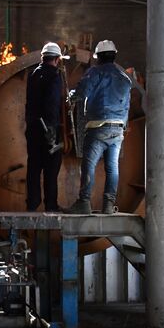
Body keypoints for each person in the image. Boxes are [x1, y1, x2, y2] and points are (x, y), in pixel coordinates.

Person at [67, 40, 132, 214]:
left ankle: (84, 202)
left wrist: (71, 96)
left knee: (88, 164)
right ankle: (109, 205)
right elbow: (127, 105)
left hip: (98, 126)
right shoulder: (125, 77)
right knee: (112, 168)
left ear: (99, 57)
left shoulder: (95, 72)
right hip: (118, 129)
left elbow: (82, 92)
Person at [25, 42, 64, 212]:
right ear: (57, 59)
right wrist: (52, 128)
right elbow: (52, 103)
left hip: (33, 128)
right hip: (49, 129)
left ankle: (32, 203)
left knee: (34, 166)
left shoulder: (33, 74)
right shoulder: (55, 76)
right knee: (51, 168)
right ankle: (51, 205)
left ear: (43, 57)